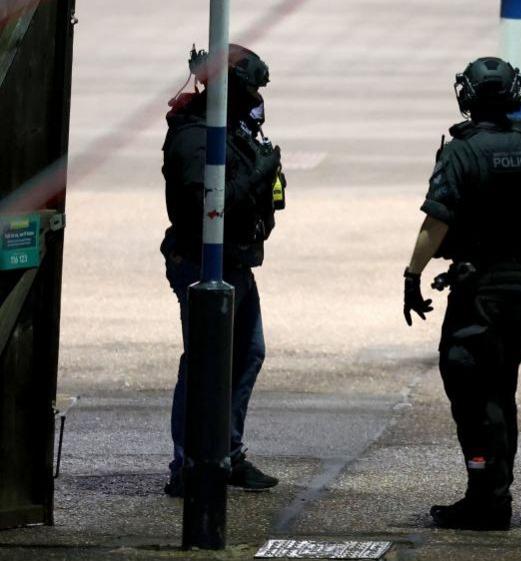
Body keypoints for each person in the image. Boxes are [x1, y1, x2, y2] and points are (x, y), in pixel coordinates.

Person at [403, 56, 521, 530]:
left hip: (476, 288)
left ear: (466, 97)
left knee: (468, 388)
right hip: (519, 287)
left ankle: (485, 498)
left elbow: (436, 220)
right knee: (501, 392)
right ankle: (494, 494)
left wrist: (412, 275)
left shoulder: (460, 153)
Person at [161, 43, 286, 497]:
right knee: (205, 362)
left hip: (234, 259)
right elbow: (207, 206)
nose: (257, 99)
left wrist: (268, 177)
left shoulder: (231, 130)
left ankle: (224, 452)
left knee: (246, 353)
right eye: (251, 89)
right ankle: (191, 463)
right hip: (202, 261)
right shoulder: (196, 137)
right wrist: (259, 174)